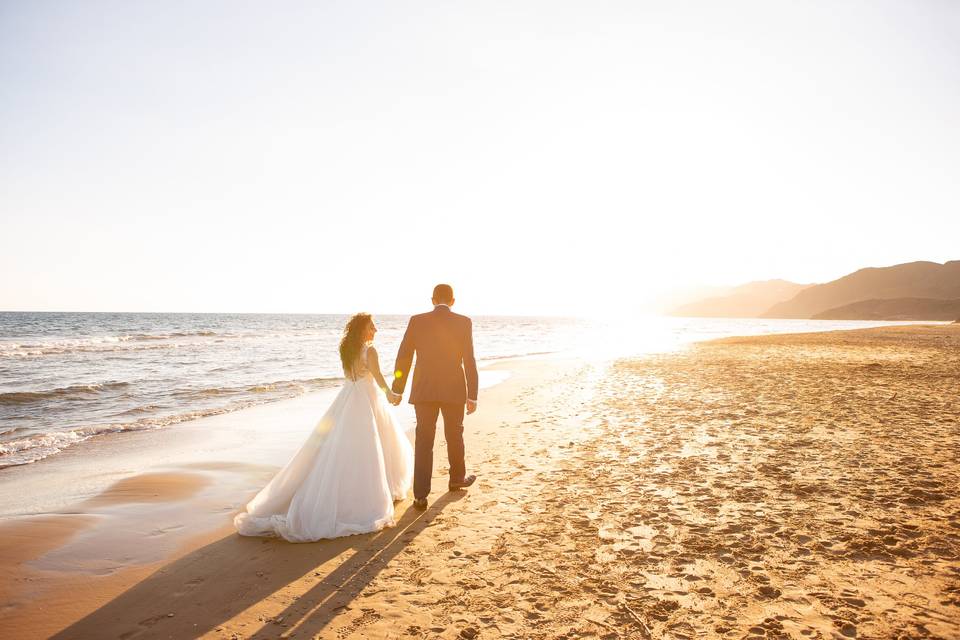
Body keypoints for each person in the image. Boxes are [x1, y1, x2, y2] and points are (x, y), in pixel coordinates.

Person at [234, 313, 413, 542]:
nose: (376, 330)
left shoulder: (346, 350)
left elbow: (350, 376)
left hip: (348, 397)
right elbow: (377, 375)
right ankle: (369, 495)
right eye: (372, 326)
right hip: (366, 399)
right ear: (363, 329)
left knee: (344, 447)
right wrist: (390, 394)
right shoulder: (370, 350)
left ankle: (369, 488)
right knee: (372, 446)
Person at [391, 284, 479, 510]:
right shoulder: (463, 322)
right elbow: (469, 359)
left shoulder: (416, 321)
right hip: (454, 389)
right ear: (453, 300)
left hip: (424, 390)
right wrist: (473, 395)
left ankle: (420, 495)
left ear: (432, 299)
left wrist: (398, 387)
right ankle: (457, 478)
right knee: (454, 434)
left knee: (424, 439)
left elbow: (404, 356)